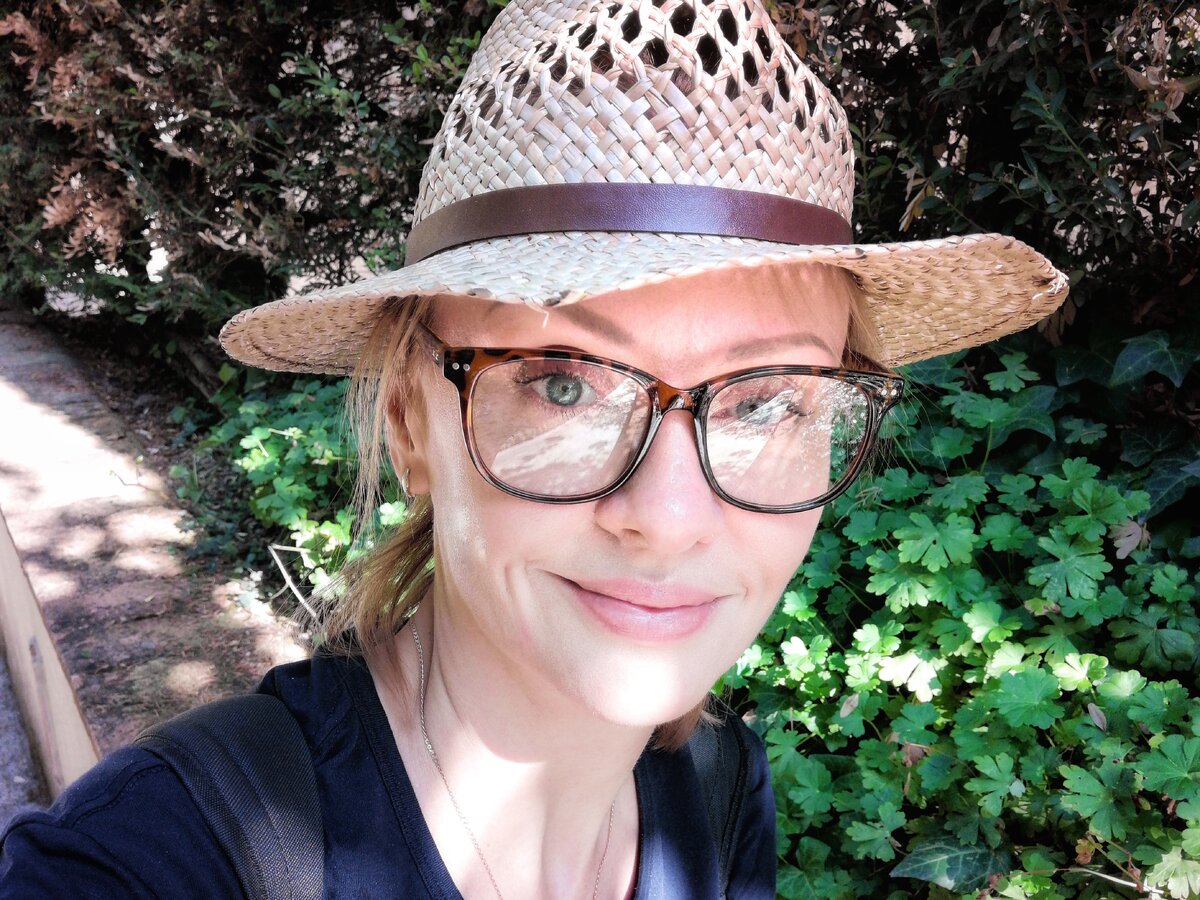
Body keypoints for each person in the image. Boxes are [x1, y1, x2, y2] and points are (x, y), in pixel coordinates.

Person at [0, 0, 1068, 897]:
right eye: (565, 385)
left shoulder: (720, 793)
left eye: (764, 402)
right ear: (411, 424)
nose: (670, 518)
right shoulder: (162, 857)